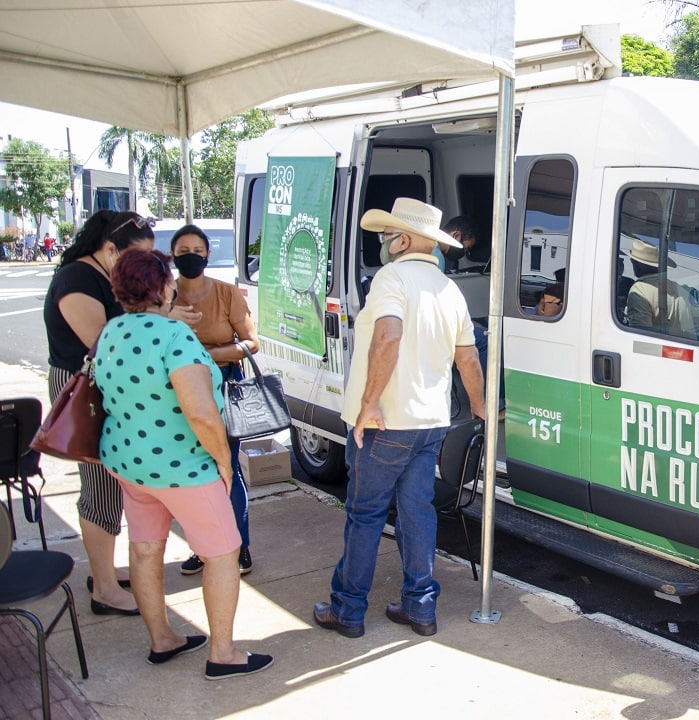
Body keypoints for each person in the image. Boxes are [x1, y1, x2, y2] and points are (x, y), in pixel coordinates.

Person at [97, 248, 273, 679]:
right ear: (162, 288)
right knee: (223, 553)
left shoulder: (111, 332)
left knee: (144, 548)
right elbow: (200, 413)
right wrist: (222, 461)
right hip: (183, 468)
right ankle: (224, 654)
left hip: (129, 462)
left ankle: (162, 640)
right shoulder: (173, 337)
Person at [313, 197, 485, 638]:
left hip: (385, 423)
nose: (383, 243)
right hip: (431, 422)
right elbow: (468, 360)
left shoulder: (390, 279)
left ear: (403, 239)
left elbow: (388, 336)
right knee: (417, 514)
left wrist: (369, 403)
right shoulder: (450, 290)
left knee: (366, 515)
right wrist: (481, 408)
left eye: (386, 236)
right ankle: (420, 607)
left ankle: (348, 610)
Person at [43, 210, 157, 616]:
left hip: (103, 390)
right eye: (136, 258)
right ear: (110, 249)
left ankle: (104, 570)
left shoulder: (103, 275)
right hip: (85, 396)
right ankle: (104, 589)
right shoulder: (77, 279)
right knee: (100, 487)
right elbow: (101, 341)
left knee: (112, 484)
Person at [169, 224, 260, 577]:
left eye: (196, 249)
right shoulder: (165, 296)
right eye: (182, 250)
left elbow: (251, 342)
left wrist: (209, 353)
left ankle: (240, 545)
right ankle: (202, 547)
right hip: (176, 390)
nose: (190, 255)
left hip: (223, 385)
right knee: (192, 472)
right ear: (173, 256)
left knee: (228, 466)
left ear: (207, 254)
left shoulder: (226, 294)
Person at [624, 237, 696, 338]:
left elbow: (640, 334)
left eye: (633, 262)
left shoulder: (639, 291)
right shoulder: (677, 287)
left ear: (637, 264)